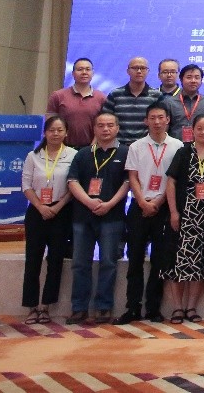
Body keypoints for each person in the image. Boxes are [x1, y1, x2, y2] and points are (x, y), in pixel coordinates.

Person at [119, 100, 182, 324]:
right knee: (135, 259)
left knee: (159, 260)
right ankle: (132, 307)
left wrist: (158, 201)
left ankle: (153, 308)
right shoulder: (136, 147)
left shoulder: (178, 146)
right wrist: (143, 202)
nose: (157, 122)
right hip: (139, 207)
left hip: (164, 208)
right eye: (152, 118)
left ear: (168, 120)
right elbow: (132, 177)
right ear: (146, 121)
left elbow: (174, 180)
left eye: (161, 118)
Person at [64, 111, 130, 325]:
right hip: (83, 216)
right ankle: (79, 307)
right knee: (80, 263)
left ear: (117, 128)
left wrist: (109, 204)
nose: (105, 129)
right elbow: (72, 181)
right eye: (101, 125)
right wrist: (89, 202)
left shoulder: (125, 152)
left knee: (108, 263)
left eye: (110, 125)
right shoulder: (83, 153)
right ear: (94, 129)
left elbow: (128, 182)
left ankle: (103, 306)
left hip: (112, 216)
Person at [162, 112, 204, 324]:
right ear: (192, 130)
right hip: (184, 214)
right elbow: (171, 182)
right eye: (200, 128)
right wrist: (173, 212)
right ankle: (177, 307)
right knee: (177, 261)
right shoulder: (183, 152)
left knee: (201, 261)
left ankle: (191, 307)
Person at [21, 115, 77, 323]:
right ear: (45, 133)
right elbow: (26, 185)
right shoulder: (33, 156)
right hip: (37, 212)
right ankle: (31, 306)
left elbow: (73, 184)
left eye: (60, 130)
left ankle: (46, 305)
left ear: (66, 133)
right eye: (52, 130)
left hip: (61, 212)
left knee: (55, 260)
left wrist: (57, 207)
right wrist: (40, 207)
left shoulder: (73, 155)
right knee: (33, 259)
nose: (56, 134)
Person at [46, 58, 104, 149]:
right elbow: (50, 124)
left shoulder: (101, 97)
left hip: (91, 148)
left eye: (88, 69)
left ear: (93, 73)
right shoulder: (58, 96)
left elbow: (103, 125)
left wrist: (93, 146)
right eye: (80, 69)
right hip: (63, 148)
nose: (84, 72)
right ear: (73, 73)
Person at [102, 57, 160, 146]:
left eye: (143, 68)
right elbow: (105, 121)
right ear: (128, 71)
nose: (139, 71)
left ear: (148, 71)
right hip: (119, 147)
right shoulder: (115, 94)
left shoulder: (157, 96)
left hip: (147, 146)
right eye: (135, 68)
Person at [169, 64, 204, 143]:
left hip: (200, 146)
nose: (193, 81)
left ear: (201, 80)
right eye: (189, 77)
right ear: (181, 79)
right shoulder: (169, 102)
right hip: (175, 147)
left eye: (197, 77)